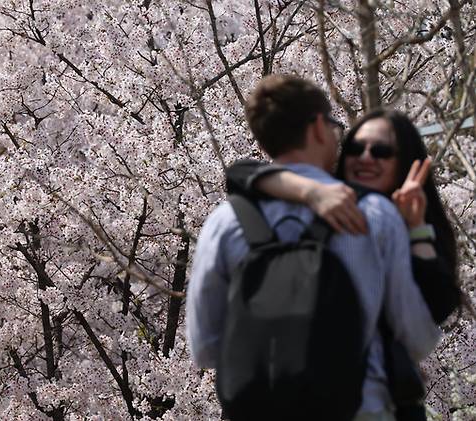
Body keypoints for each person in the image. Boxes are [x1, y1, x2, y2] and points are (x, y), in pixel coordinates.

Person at [186, 75, 441, 421]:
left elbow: (203, 348)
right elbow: (415, 337)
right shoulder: (374, 216)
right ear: (319, 127)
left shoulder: (223, 222)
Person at [226, 109, 461, 326]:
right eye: (356, 149)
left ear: (404, 161)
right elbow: (239, 173)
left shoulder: (416, 224)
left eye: (381, 151)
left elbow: (437, 307)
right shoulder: (324, 197)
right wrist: (310, 192)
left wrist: (415, 227)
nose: (366, 157)